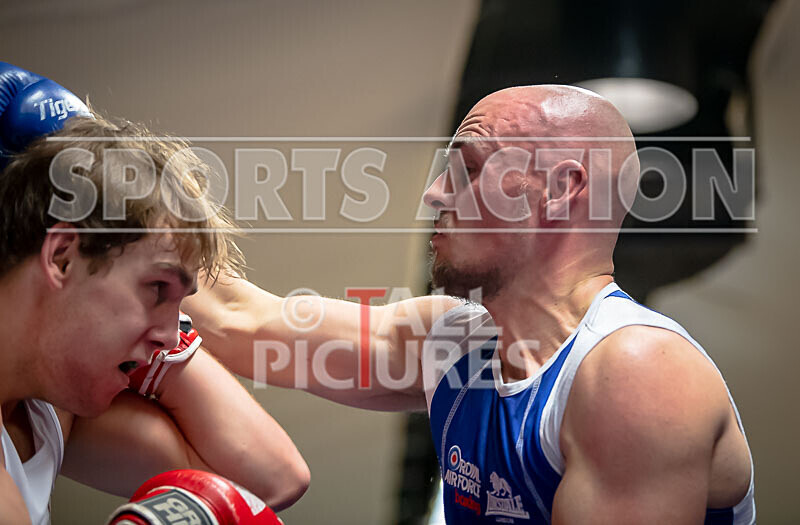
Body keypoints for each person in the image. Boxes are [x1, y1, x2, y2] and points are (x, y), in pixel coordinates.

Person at [184, 85, 755, 523]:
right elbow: (241, 321)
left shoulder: (635, 370)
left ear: (560, 190)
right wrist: (109, 167)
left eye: (468, 168)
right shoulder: (455, 340)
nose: (434, 194)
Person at [0, 63, 309, 524]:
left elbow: (267, 482)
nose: (172, 336)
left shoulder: (45, 411)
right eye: (157, 288)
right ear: (62, 257)